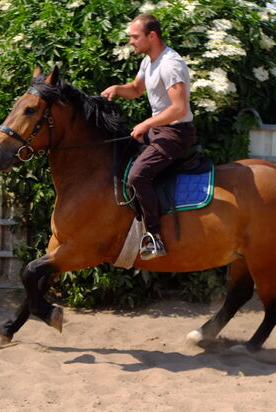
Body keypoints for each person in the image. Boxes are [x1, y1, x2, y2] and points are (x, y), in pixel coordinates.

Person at [102, 13, 195, 260]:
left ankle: (154, 237)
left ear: (151, 36)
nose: (131, 41)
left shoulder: (170, 64)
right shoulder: (149, 61)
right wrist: (116, 90)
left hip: (176, 133)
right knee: (118, 154)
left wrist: (145, 123)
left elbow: (179, 109)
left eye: (135, 36)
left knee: (138, 175)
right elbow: (135, 89)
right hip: (159, 130)